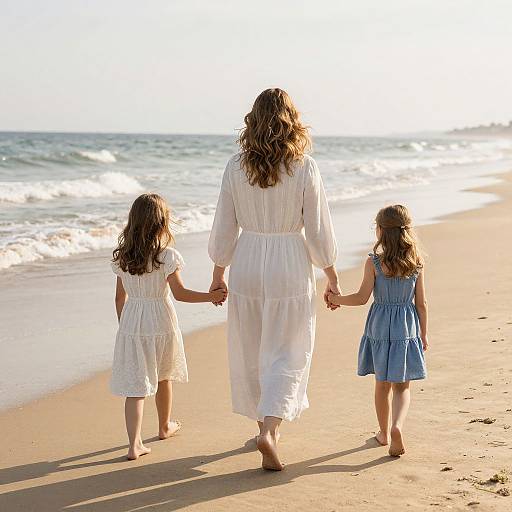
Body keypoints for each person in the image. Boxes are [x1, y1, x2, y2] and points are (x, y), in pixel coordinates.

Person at [208, 88, 338, 470]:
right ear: (291, 121)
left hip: (248, 259)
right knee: (289, 347)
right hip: (289, 262)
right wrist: (331, 275)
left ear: (253, 120)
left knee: (252, 345)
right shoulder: (304, 166)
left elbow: (224, 227)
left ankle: (262, 428)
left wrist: (218, 273)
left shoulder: (235, 166)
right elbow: (317, 230)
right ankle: (270, 429)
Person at [111, 193, 226, 460]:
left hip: (132, 321)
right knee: (163, 375)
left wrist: (125, 326)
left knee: (136, 386)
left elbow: (119, 297)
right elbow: (180, 294)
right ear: (162, 223)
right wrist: (212, 297)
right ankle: (164, 426)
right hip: (160, 320)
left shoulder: (123, 258)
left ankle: (134, 444)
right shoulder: (166, 256)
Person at [328, 204, 428, 457]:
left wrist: (335, 299)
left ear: (380, 231)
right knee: (403, 387)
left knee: (382, 384)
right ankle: (397, 427)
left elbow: (362, 298)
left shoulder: (374, 262)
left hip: (380, 327)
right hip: (406, 328)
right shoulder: (416, 263)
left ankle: (383, 433)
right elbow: (421, 304)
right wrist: (423, 334)